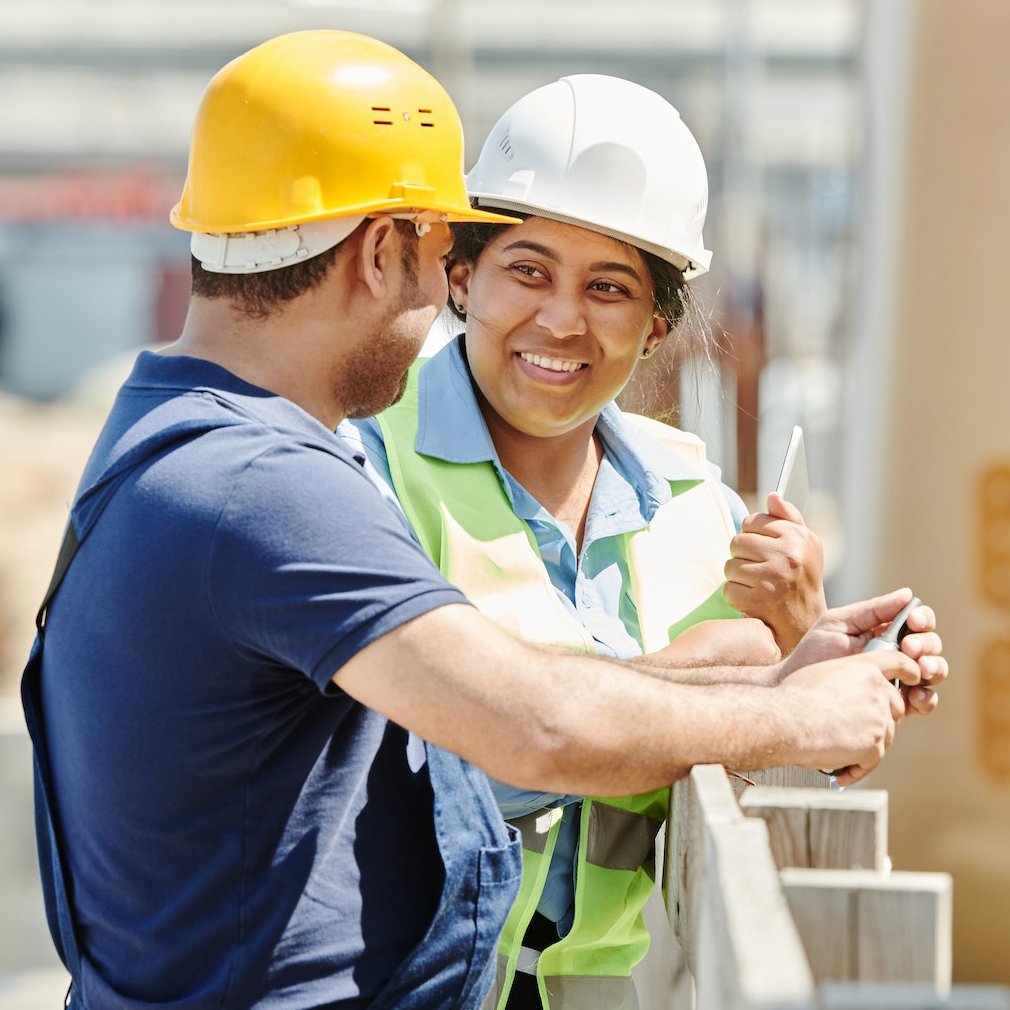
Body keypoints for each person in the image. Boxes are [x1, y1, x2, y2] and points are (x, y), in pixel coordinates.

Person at [21, 33, 944, 1010]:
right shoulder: (270, 485)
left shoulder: (182, 437)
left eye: (606, 286)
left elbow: (486, 707)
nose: (441, 298)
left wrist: (760, 666)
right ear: (385, 252)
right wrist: (790, 712)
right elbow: (526, 727)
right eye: (445, 256)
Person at [344, 75, 946, 1010]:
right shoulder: (367, 468)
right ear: (463, 276)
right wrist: (719, 669)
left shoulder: (694, 502)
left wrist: (813, 646)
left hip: (592, 993)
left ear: (657, 321)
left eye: (610, 287)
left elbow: (762, 748)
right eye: (528, 270)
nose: (561, 318)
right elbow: (448, 757)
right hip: (400, 985)